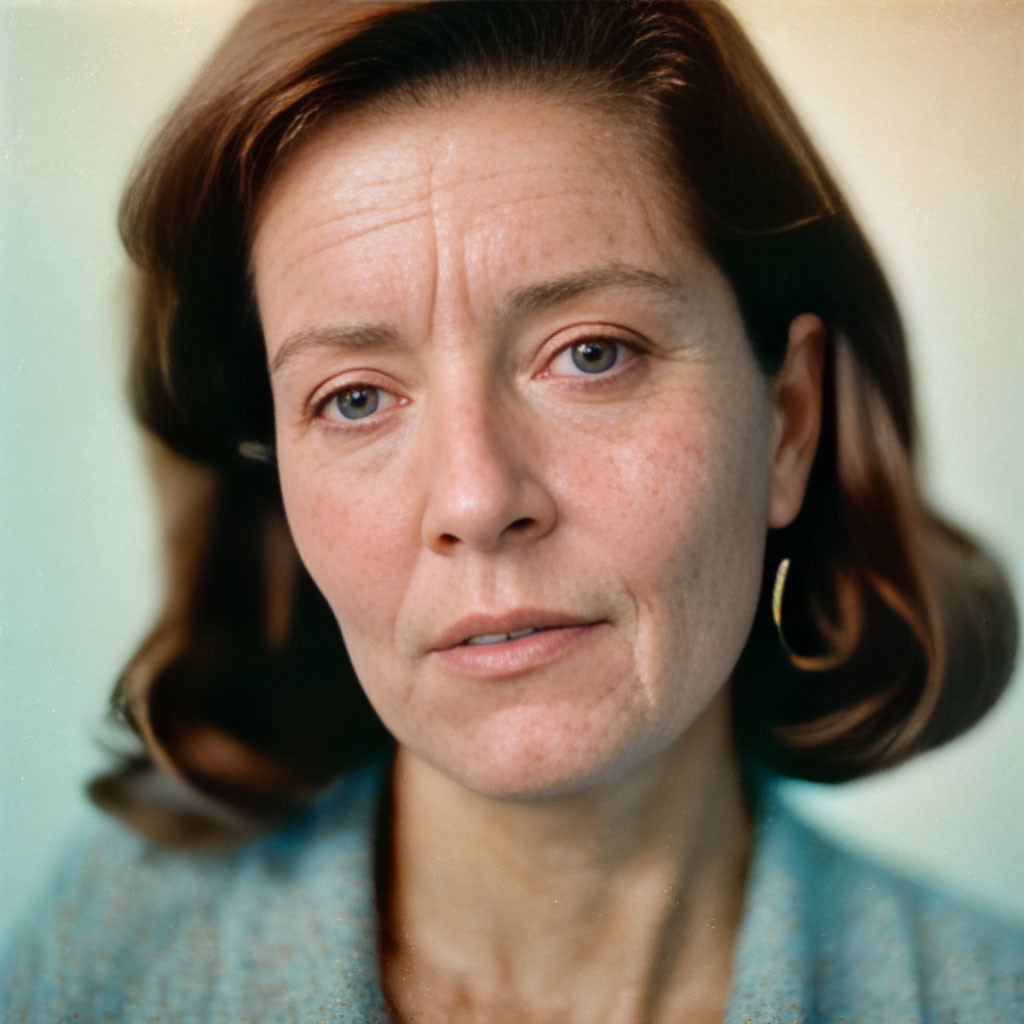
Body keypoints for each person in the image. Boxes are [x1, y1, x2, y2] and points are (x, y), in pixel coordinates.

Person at [2, 1, 1021, 1021]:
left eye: (591, 354)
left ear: (790, 422)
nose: (476, 499)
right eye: (354, 397)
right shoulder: (110, 955)